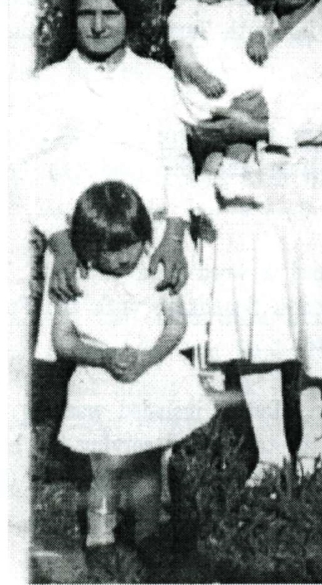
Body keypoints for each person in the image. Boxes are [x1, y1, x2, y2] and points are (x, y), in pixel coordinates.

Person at [192, 0, 322, 487]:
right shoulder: (240, 25)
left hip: (311, 191)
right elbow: (206, 95)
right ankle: (271, 455)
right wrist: (221, 127)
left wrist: (265, 122)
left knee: (313, 323)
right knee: (258, 322)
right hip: (248, 196)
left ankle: (313, 449)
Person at [27, 0, 206, 368]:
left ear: (128, 18)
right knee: (92, 364)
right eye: (86, 14)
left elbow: (178, 164)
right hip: (79, 247)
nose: (97, 26)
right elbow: (32, 173)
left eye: (110, 14)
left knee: (166, 364)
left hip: (153, 244)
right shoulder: (49, 85)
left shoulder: (157, 79)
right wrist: (62, 246)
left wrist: (174, 238)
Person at [52, 182, 215, 581]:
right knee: (105, 466)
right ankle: (101, 537)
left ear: (145, 237)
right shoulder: (78, 280)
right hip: (100, 384)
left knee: (148, 464)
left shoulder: (153, 269)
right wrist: (103, 356)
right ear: (88, 247)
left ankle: (148, 532)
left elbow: (177, 324)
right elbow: (63, 340)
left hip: (151, 378)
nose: (123, 258)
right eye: (109, 250)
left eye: (131, 245)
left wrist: (149, 357)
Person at [169, 0, 269, 211]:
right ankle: (230, 176)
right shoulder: (185, 10)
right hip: (204, 88)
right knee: (233, 127)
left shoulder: (240, 6)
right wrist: (202, 78)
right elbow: (183, 53)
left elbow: (257, 26)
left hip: (234, 84)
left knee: (244, 129)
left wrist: (256, 38)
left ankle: (209, 183)